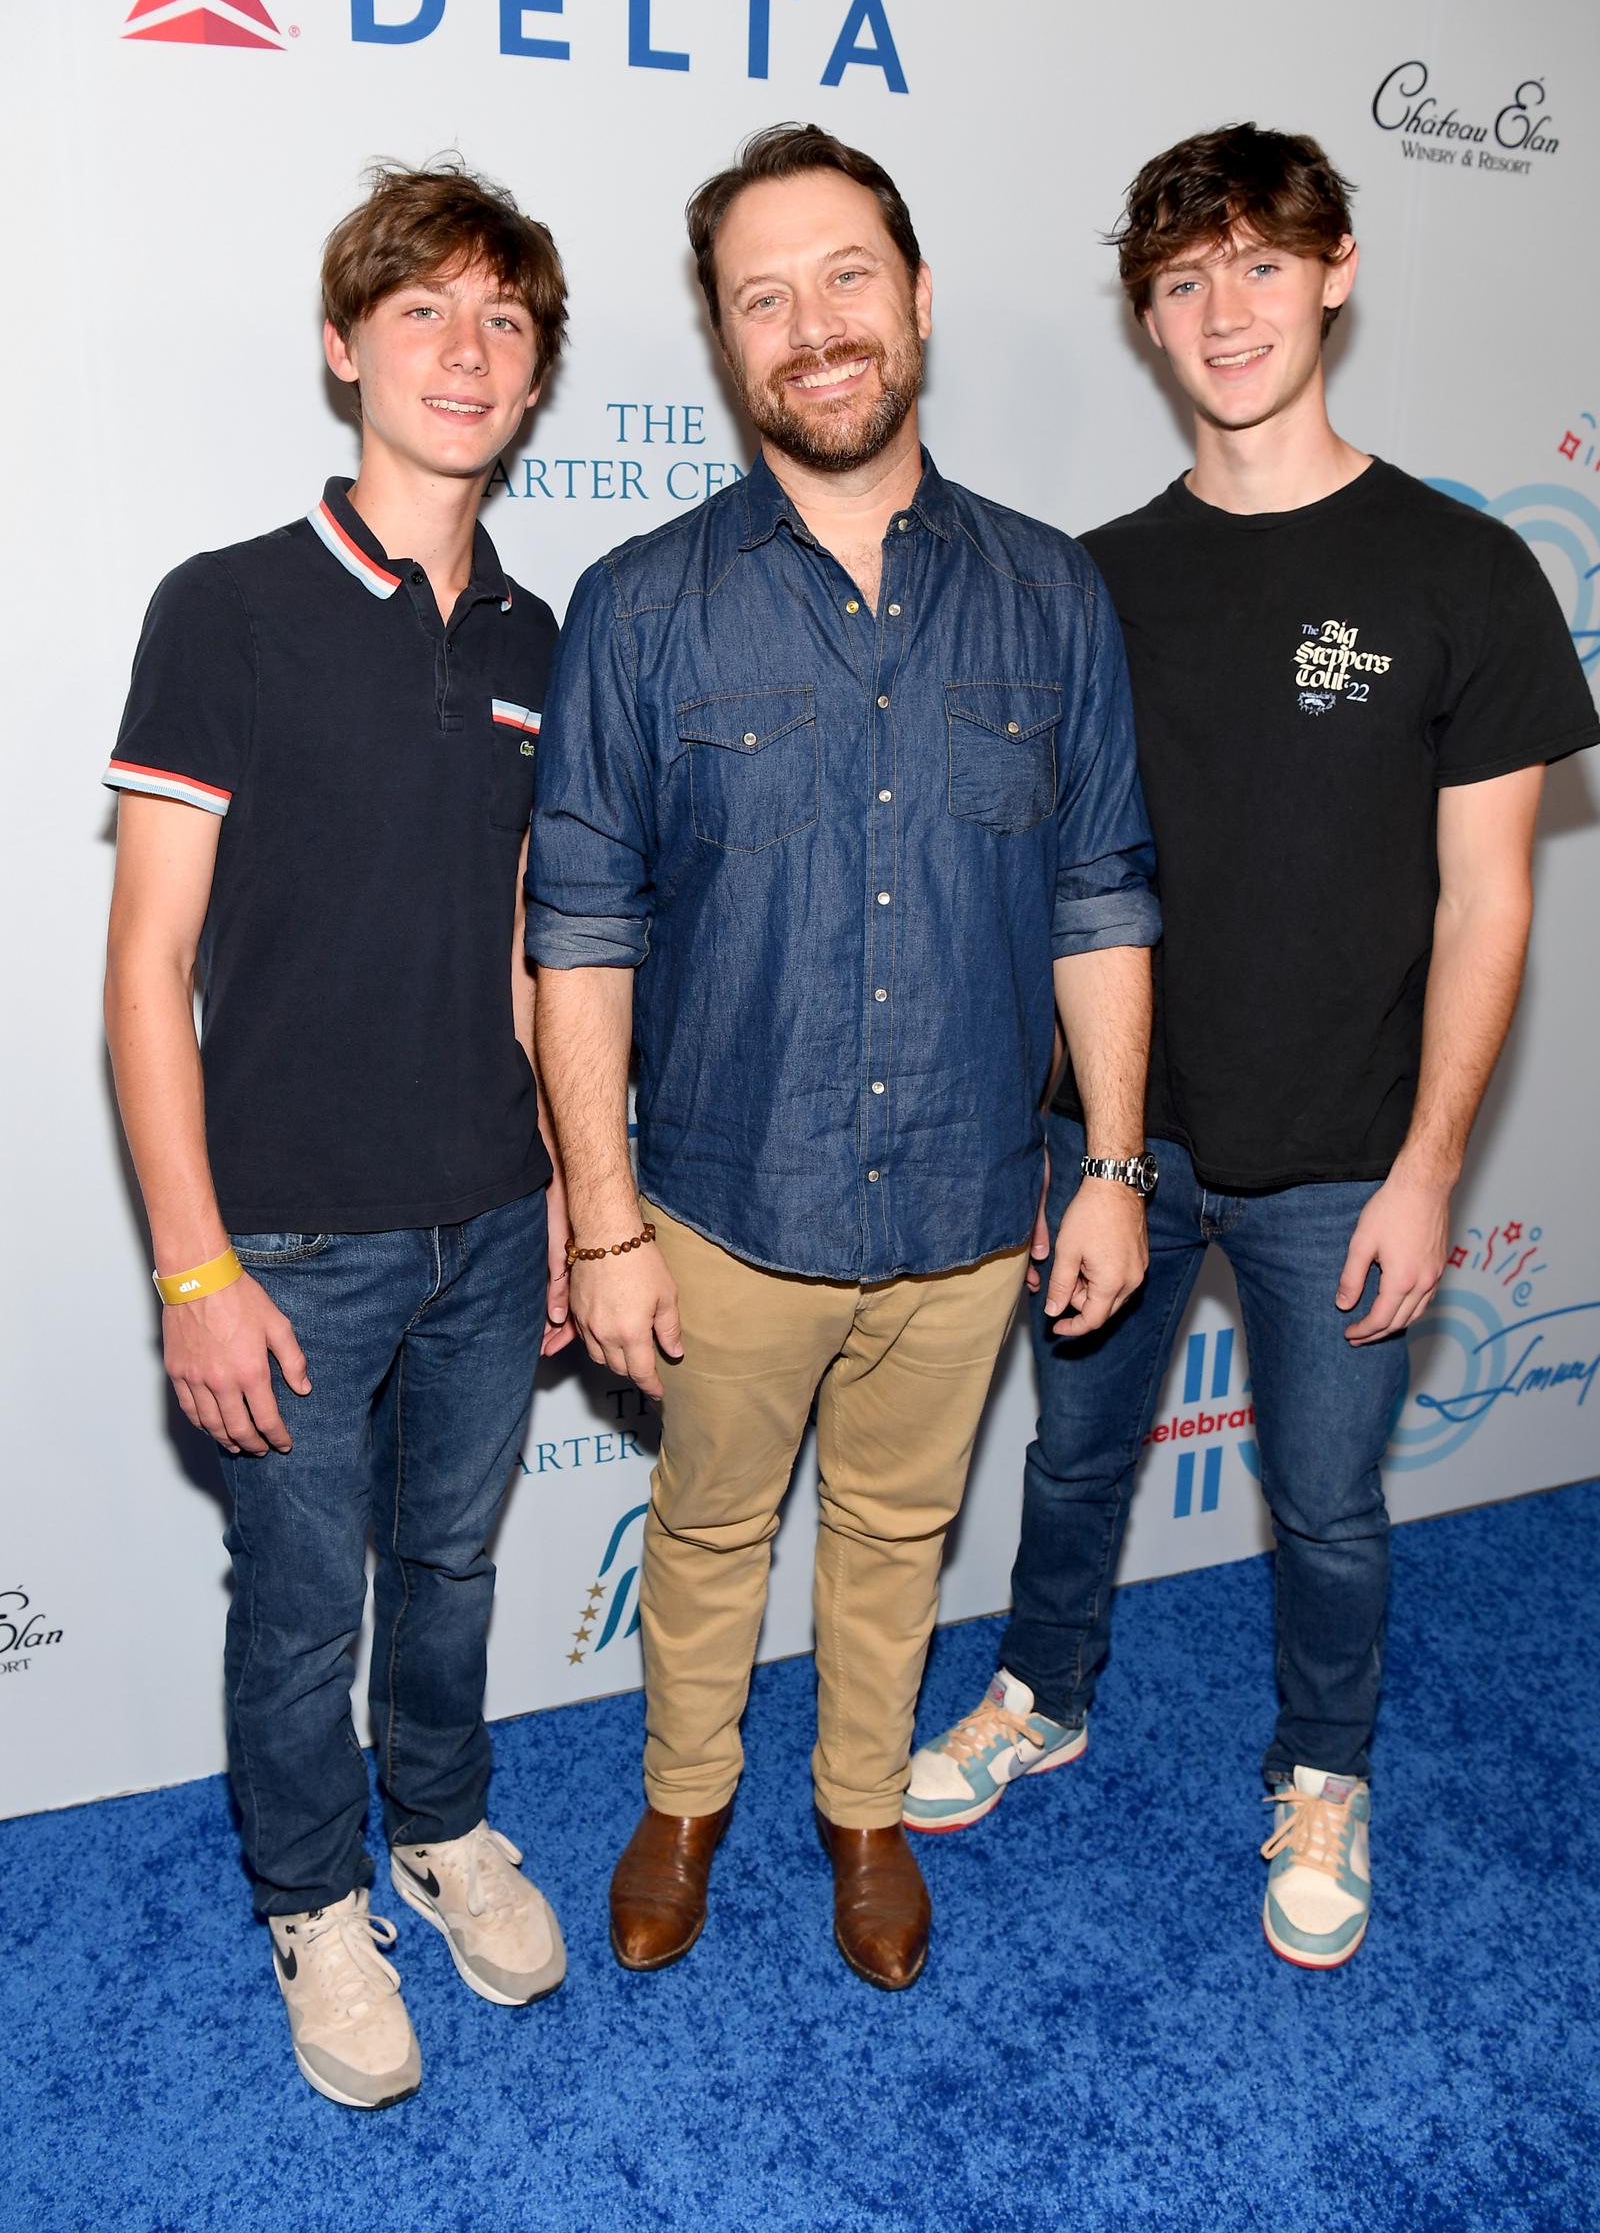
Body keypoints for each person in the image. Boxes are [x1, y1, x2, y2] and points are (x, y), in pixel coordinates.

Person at [906, 122, 1600, 1969]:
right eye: (1186, 281)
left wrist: (1435, 1169)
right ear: (1148, 317)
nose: (1226, 312)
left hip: (1351, 1154)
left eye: (1261, 267)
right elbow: (1051, 882)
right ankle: (1041, 1692)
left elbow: (1491, 905)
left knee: (1327, 1504)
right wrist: (1085, 1151)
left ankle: (1324, 1771)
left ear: (1337, 271)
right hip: (1118, 1140)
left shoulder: (1466, 571)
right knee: (1069, 1461)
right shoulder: (1090, 579)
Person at [527, 123, 1161, 1992]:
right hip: (721, 1202)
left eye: (845, 278)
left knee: (897, 1532)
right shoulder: (639, 606)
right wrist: (605, 1221)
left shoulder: (1052, 594)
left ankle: (863, 1806)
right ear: (728, 345)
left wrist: (1113, 1167)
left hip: (976, 1201)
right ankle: (682, 1797)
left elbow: (1102, 896)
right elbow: (580, 931)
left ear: (920, 300)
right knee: (708, 1528)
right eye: (762, 296)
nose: (812, 326)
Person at [103, 162, 574, 2107]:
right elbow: (147, 973)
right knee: (302, 1616)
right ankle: (312, 1897)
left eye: (503, 323)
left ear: (535, 373)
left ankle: (443, 1825)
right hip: (288, 1243)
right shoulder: (224, 608)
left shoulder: (543, 639)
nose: (463, 356)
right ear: (341, 348)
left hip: (490, 1217)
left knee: (452, 1571)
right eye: (422, 316)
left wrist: (573, 1203)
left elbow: (547, 956)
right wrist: (193, 1268)